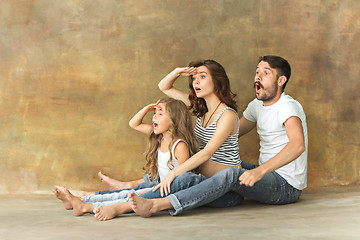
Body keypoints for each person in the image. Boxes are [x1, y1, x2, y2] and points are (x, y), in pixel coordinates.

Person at [128, 55, 308, 217]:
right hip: (265, 171)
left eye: (266, 73)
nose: (257, 77)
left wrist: (259, 172)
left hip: (285, 185)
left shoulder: (287, 107)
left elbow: (298, 145)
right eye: (257, 72)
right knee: (224, 167)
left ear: (281, 80)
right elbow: (233, 134)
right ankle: (135, 187)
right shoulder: (256, 106)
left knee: (229, 173)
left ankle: (158, 204)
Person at [91, 59, 242, 220]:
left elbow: (206, 153)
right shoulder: (200, 108)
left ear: (218, 80)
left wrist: (174, 174)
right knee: (164, 178)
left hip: (225, 191)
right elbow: (164, 86)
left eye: (202, 77)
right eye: (194, 78)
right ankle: (95, 197)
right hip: (200, 181)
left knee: (176, 178)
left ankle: (116, 207)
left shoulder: (227, 115)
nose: (195, 82)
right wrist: (178, 71)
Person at [53, 98, 198, 217]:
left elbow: (184, 178)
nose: (154, 116)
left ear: (176, 120)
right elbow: (133, 123)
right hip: (157, 185)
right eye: (154, 113)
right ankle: (78, 200)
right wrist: (146, 109)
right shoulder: (160, 138)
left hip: (165, 191)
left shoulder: (179, 146)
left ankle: (85, 205)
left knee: (123, 197)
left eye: (160, 114)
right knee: (121, 194)